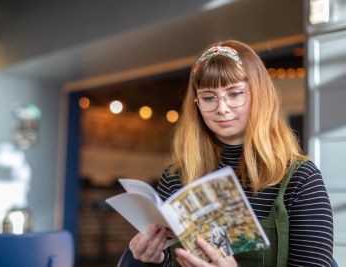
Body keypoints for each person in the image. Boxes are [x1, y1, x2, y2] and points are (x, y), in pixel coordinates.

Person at [128, 40, 333, 267]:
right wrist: (154, 260)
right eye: (208, 98)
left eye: (234, 94)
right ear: (196, 103)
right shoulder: (176, 176)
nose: (222, 108)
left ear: (259, 95)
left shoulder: (300, 178)